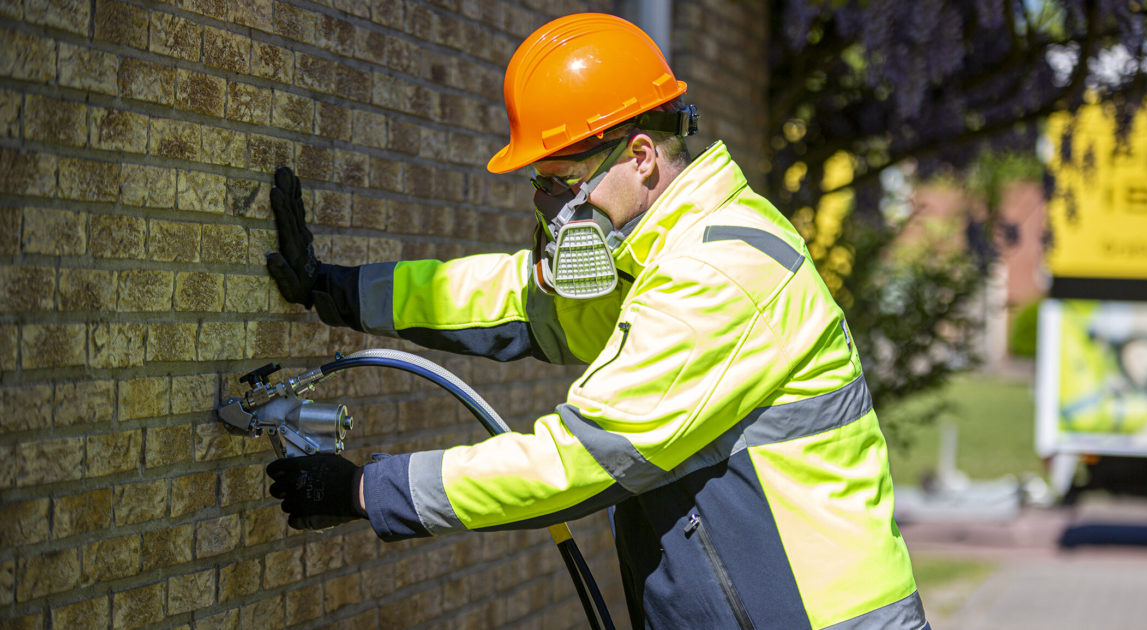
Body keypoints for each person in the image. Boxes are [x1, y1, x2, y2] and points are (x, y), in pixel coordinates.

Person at [264, 12, 928, 630]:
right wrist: (337, 289)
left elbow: (578, 462)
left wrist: (364, 488)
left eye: (562, 182)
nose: (550, 208)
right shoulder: (666, 249)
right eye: (539, 186)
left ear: (640, 157)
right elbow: (523, 302)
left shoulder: (716, 275)